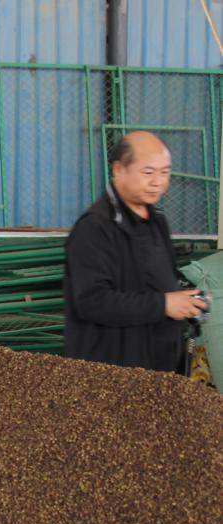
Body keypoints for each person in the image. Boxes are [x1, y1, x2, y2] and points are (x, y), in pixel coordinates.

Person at [64, 131, 205, 372]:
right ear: (119, 170)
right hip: (113, 372)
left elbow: (159, 283)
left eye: (165, 172)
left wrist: (185, 301)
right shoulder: (94, 228)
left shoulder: (157, 222)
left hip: (159, 366)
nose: (158, 182)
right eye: (148, 172)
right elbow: (92, 301)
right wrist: (163, 304)